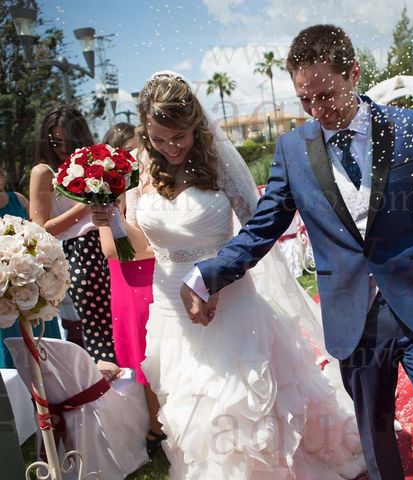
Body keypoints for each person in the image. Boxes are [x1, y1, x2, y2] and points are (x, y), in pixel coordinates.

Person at [182, 25, 413, 480]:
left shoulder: (411, 128)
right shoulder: (293, 150)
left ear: (353, 73)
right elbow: (263, 227)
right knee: (375, 439)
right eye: (305, 100)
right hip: (353, 321)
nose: (317, 110)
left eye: (325, 95)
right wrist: (209, 273)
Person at [91, 70, 366, 479]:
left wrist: (216, 278)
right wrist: (110, 218)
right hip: (170, 309)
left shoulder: (218, 164)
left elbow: (259, 231)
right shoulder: (138, 170)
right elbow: (138, 249)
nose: (170, 148)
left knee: (242, 404)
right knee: (194, 410)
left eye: (178, 136)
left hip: (230, 301)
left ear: (194, 125)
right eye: (159, 138)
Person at [29, 106, 119, 378]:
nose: (63, 149)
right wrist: (85, 205)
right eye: (56, 142)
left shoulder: (95, 162)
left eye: (69, 142)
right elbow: (40, 229)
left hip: (111, 244)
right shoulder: (43, 172)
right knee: (98, 332)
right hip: (77, 253)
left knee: (121, 322)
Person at [100, 123, 161, 456]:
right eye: (128, 152)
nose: (136, 158)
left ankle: (166, 425)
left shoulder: (151, 185)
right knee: (143, 356)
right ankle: (156, 428)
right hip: (129, 281)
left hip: (155, 276)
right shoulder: (106, 196)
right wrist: (164, 250)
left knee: (163, 353)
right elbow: (113, 249)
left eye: (140, 150)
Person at [0, 167, 62, 367]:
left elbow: (39, 234)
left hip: (33, 289)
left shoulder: (17, 199)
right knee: (12, 358)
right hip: (4, 298)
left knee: (45, 356)